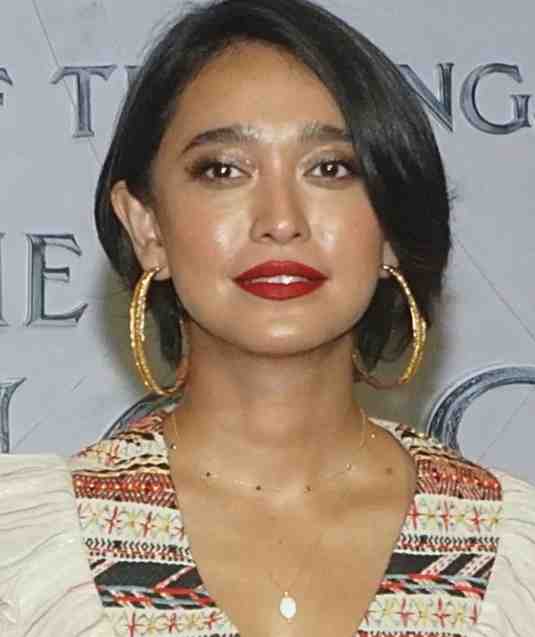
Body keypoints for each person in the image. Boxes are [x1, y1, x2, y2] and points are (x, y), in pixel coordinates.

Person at [1, 0, 534, 635]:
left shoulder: (513, 556)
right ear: (146, 228)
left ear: (391, 225)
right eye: (223, 169)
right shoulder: (26, 554)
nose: (280, 220)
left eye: (330, 168)